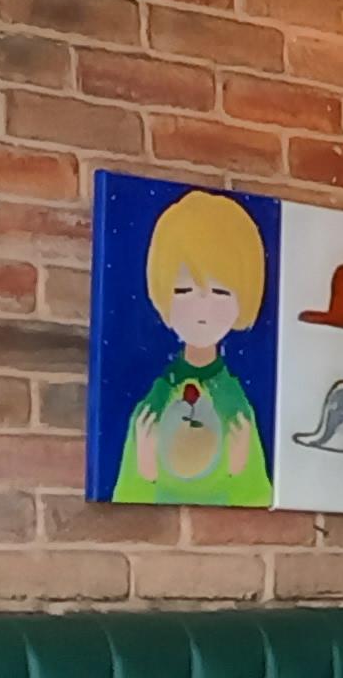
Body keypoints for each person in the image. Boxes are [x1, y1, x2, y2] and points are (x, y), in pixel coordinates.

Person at [115, 189, 274, 505]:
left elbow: (258, 500)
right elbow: (124, 500)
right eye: (184, 290)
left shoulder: (238, 409)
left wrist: (239, 470)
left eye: (221, 292)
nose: (202, 308)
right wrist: (145, 471)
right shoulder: (151, 408)